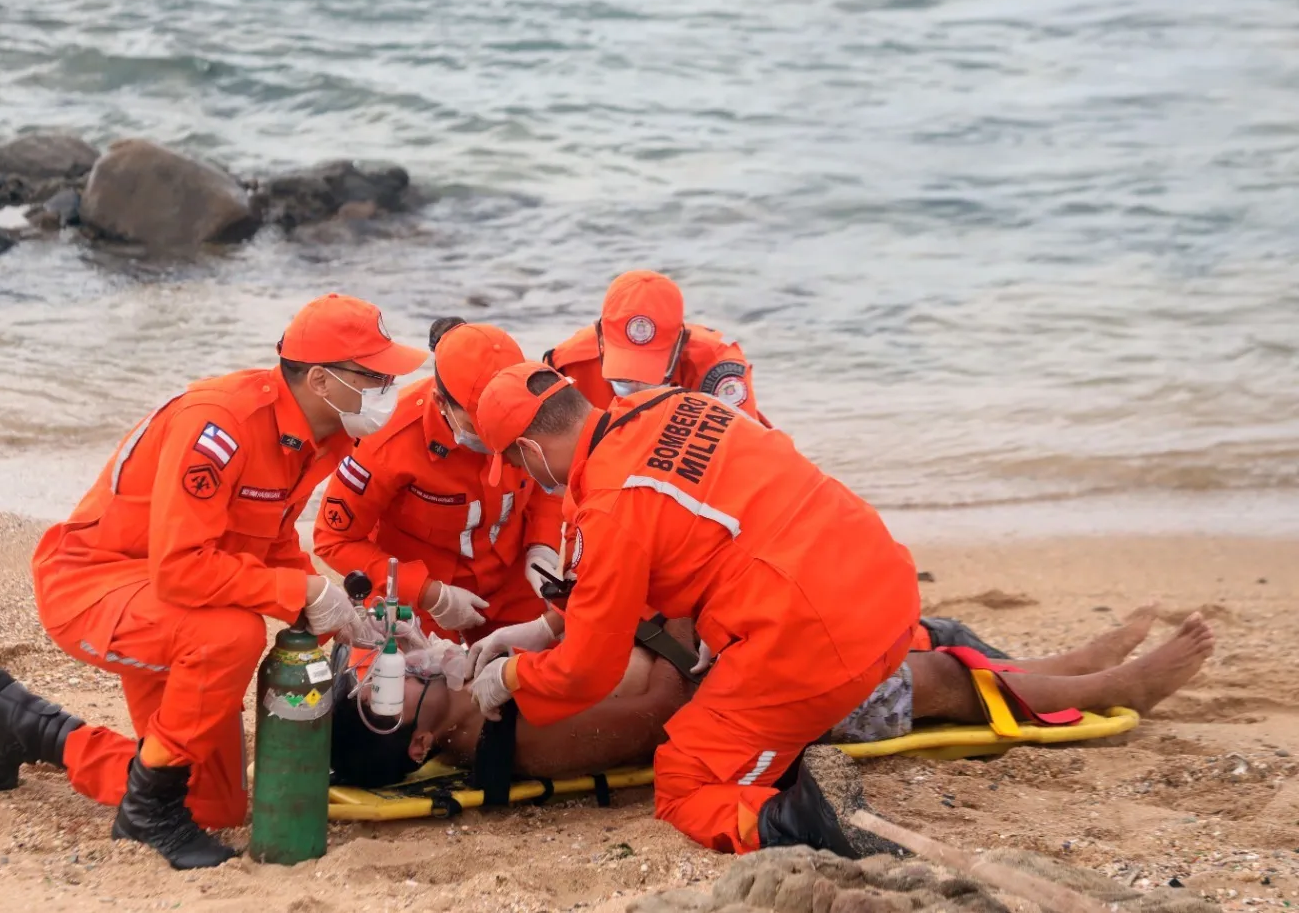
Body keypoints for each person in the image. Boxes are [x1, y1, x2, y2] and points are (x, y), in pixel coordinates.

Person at [0, 293, 428, 870]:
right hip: (95, 584)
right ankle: (147, 812)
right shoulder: (222, 422)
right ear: (321, 380)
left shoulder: (319, 437)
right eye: (376, 374)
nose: (390, 385)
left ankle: (29, 726)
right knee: (229, 635)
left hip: (171, 601)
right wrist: (301, 594)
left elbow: (271, 542)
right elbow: (181, 565)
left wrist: (339, 613)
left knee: (218, 804)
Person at [462, 361, 921, 855]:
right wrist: (549, 625)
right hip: (888, 587)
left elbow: (588, 673)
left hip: (819, 638)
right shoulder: (674, 403)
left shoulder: (610, 507)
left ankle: (805, 822)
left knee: (684, 784)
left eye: (515, 462)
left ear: (530, 449)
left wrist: (513, 677)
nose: (521, 474)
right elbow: (659, 539)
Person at [333, 607, 1216, 793]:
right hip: (739, 702)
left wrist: (555, 627)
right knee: (934, 684)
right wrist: (640, 623)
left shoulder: (489, 699)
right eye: (386, 694)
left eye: (379, 669)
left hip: (716, 666)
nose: (397, 671)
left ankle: (1057, 662)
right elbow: (659, 707)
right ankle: (1111, 686)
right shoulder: (521, 741)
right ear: (417, 746)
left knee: (905, 643)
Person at [312, 318, 562, 643]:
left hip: (511, 576)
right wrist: (430, 594)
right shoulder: (387, 439)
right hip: (421, 589)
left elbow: (552, 482)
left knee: (556, 667)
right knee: (411, 683)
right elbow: (334, 540)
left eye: (507, 424)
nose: (498, 438)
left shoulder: (536, 408)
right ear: (441, 402)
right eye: (482, 425)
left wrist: (543, 548)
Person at [542, 270, 768, 423]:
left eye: (649, 372)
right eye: (624, 375)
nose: (637, 386)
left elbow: (745, 457)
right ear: (600, 337)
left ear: (680, 342)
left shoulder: (716, 368)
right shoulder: (566, 367)